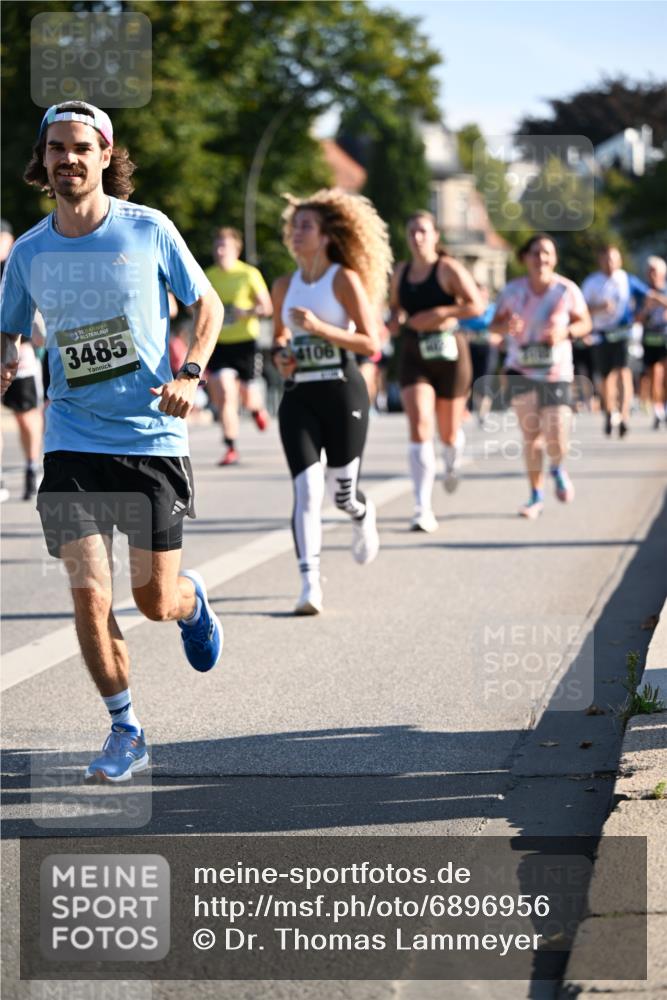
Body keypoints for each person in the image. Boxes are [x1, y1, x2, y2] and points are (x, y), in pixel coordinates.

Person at [0, 100, 224, 782]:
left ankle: (190, 601)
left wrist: (190, 373)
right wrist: (6, 362)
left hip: (151, 436)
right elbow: (10, 331)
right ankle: (126, 728)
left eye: (80, 147)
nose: (67, 158)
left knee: (153, 600)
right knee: (90, 594)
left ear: (104, 155)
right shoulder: (29, 253)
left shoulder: (147, 229)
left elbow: (207, 304)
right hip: (72, 441)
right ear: (42, 159)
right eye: (56, 147)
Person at [270, 188, 391, 615]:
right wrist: (282, 356)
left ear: (324, 237)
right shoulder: (283, 285)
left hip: (342, 391)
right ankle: (309, 584)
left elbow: (371, 342)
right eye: (294, 225)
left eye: (306, 225)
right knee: (307, 489)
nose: (297, 232)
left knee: (342, 495)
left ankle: (361, 513)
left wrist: (321, 328)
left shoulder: (343, 279)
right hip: (299, 395)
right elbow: (279, 339)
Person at [388, 211, 483, 532]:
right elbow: (395, 306)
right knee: (419, 424)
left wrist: (441, 312)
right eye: (412, 232)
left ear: (435, 236)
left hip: (450, 353)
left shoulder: (447, 269)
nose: (417, 238)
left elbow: (476, 305)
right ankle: (422, 507)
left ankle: (453, 454)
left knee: (448, 433)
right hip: (414, 353)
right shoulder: (400, 272)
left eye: (423, 232)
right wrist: (395, 320)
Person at [489, 233, 592, 519]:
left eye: (547, 253)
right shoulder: (512, 291)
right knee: (531, 435)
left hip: (556, 371)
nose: (541, 258)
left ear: (554, 259)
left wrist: (566, 332)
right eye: (535, 253)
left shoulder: (566, 290)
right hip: (520, 369)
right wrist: (506, 327)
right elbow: (494, 326)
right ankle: (535, 495)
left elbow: (585, 323)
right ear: (525, 258)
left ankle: (557, 467)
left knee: (556, 436)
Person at [581, 245, 667, 438]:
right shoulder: (592, 282)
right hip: (602, 334)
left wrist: (662, 302)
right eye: (606, 259)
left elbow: (649, 295)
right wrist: (599, 308)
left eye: (613, 259)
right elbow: (581, 310)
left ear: (619, 260)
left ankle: (624, 416)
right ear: (600, 261)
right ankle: (610, 412)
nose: (610, 263)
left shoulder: (627, 279)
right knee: (606, 377)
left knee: (624, 372)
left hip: (624, 333)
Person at [204, 227, 273, 465]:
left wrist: (248, 312)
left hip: (245, 343)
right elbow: (195, 305)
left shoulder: (249, 274)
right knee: (225, 393)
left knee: (246, 393)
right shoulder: (208, 275)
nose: (220, 251)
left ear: (236, 250)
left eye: (224, 246)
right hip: (219, 343)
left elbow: (267, 307)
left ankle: (256, 409)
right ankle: (230, 446)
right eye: (217, 246)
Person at [636, 256, 667, 429]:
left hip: (665, 334)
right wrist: (647, 308)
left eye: (654, 271)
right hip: (650, 337)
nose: (652, 275)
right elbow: (637, 318)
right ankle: (658, 410)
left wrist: (660, 300)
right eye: (649, 271)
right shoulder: (643, 292)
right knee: (655, 374)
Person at [459, 283, 496, 425]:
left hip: (487, 348)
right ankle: (463, 410)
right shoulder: (466, 309)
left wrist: (497, 336)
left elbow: (500, 326)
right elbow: (459, 325)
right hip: (469, 347)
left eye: (483, 292)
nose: (481, 295)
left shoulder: (493, 308)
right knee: (467, 379)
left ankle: (483, 413)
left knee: (484, 380)